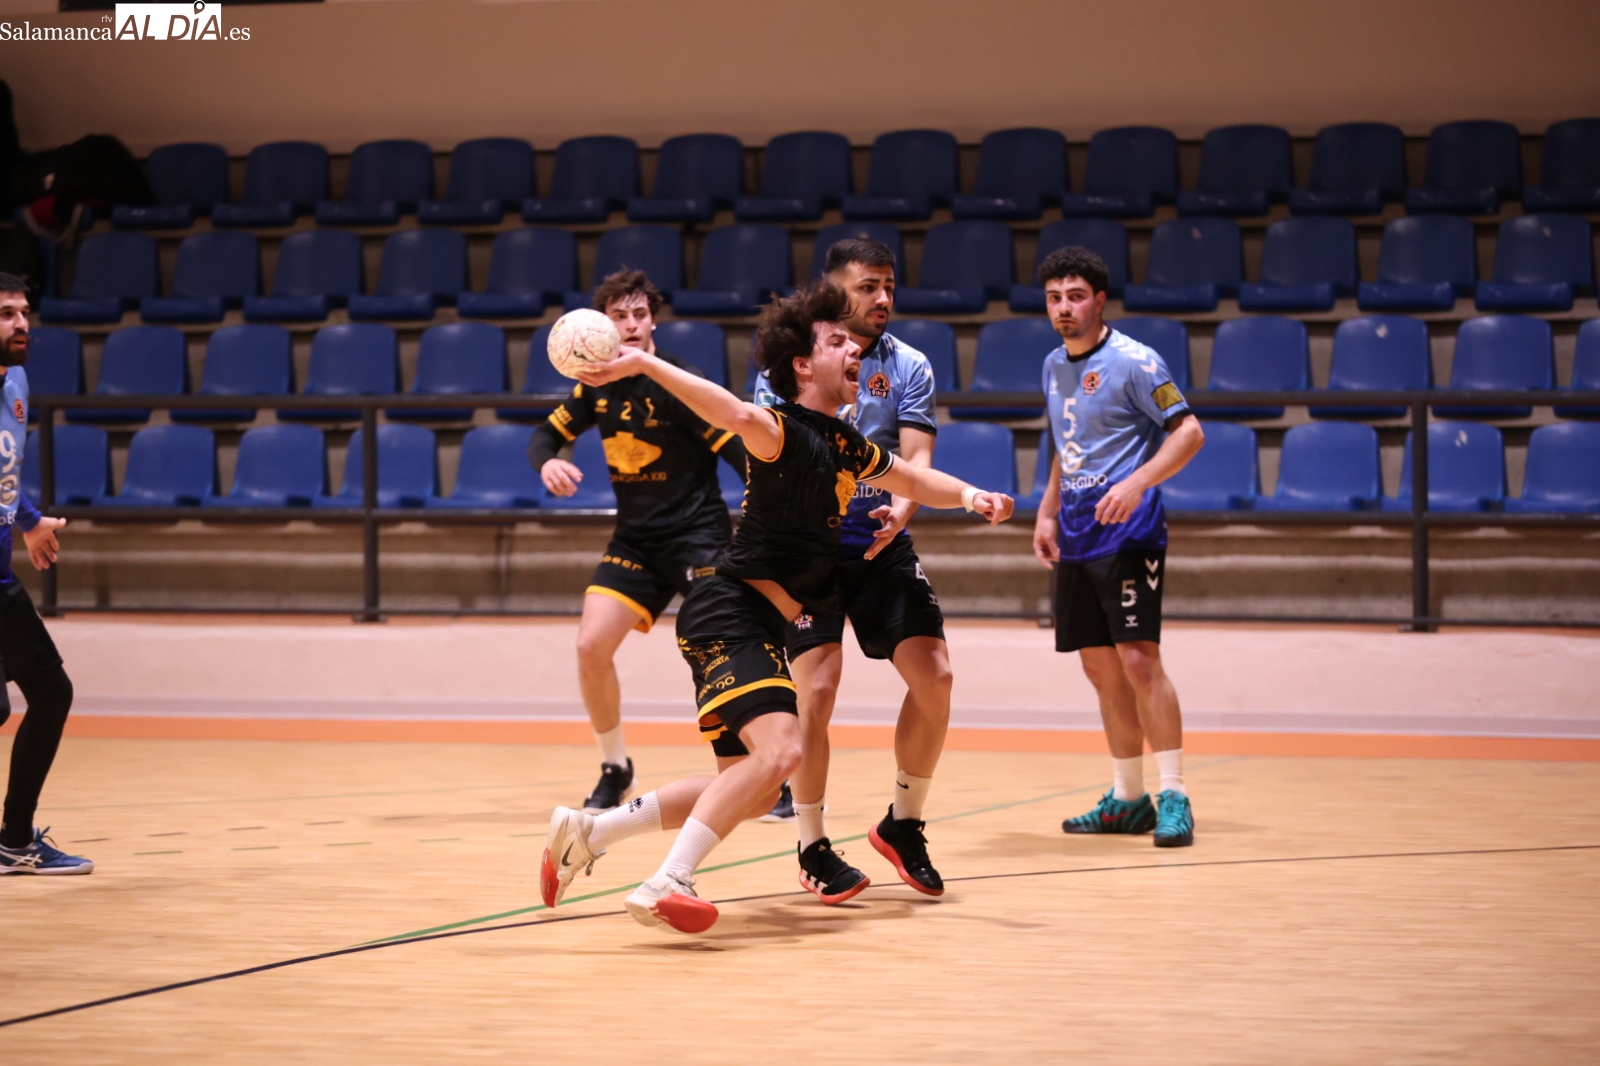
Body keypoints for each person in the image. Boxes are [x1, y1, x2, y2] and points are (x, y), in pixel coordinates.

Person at [539, 281, 1014, 933]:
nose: (855, 349)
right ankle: (668, 880)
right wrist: (645, 362)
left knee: (752, 781)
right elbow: (730, 410)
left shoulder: (845, 443)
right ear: (803, 366)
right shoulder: (778, 430)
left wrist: (970, 496)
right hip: (729, 611)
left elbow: (912, 478)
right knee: (783, 751)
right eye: (837, 341)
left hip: (753, 619)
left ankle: (590, 832)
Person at [750, 238, 951, 903]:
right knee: (818, 691)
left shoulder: (910, 364)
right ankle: (811, 843)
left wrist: (902, 511)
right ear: (834, 290)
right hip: (811, 552)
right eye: (869, 286)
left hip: (880, 544)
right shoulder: (791, 359)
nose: (884, 298)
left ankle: (903, 823)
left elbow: (916, 462)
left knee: (935, 678)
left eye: (889, 285)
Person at [528, 270, 747, 813]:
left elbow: (737, 450)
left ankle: (757, 768)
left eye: (639, 314)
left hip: (699, 537)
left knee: (719, 652)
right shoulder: (595, 385)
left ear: (653, 322)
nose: (630, 324)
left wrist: (767, 500)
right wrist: (549, 462)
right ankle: (615, 766)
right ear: (603, 324)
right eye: (619, 315)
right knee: (590, 647)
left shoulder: (679, 380)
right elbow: (545, 435)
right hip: (637, 540)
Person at [1029, 248, 1205, 848]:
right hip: (1078, 532)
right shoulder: (1053, 364)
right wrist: (1047, 511)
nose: (1064, 308)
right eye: (1054, 298)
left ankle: (1175, 794)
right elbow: (1066, 443)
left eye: (1075, 296)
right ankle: (1129, 799)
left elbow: (1189, 432)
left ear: (1099, 301)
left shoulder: (1136, 361)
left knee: (1138, 660)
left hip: (1129, 532)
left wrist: (1137, 483)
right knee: (1100, 668)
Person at [0, 272, 89, 875]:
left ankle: (13, 841)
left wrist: (29, 522)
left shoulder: (17, 382)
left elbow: (3, 475)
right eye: (6, 313)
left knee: (51, 693)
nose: (21, 324)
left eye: (24, 312)